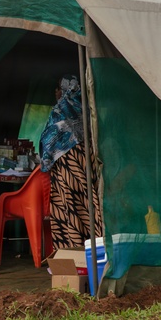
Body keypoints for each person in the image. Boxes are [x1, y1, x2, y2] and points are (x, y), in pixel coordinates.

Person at [39, 75, 103, 249]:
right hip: (87, 161)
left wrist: (45, 162)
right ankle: (95, 248)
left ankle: (74, 250)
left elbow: (48, 142)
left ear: (63, 90)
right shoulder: (89, 110)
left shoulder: (59, 110)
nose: (56, 93)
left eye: (57, 89)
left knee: (70, 206)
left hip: (67, 164)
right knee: (89, 202)